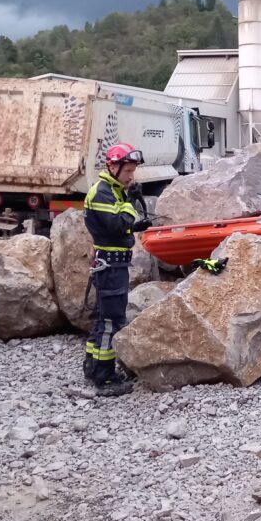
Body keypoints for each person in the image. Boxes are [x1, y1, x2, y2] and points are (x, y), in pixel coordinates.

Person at [83, 142, 154, 397]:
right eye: (128, 171)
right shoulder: (103, 192)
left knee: (103, 318)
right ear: (113, 167)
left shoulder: (111, 190)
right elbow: (117, 224)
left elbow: (119, 225)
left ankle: (92, 368)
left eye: (133, 171)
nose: (131, 176)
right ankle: (104, 376)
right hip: (111, 266)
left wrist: (135, 226)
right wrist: (131, 202)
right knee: (111, 320)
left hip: (113, 263)